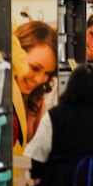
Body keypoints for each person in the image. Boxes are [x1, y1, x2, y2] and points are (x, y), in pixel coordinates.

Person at [13, 20, 58, 148]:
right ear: (16, 55)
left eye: (47, 73)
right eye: (35, 68)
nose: (39, 80)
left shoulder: (37, 98)